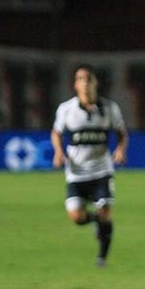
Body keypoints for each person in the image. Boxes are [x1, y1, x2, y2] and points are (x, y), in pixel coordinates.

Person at [51, 64, 129, 268]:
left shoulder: (110, 108)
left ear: (96, 83)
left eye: (89, 79)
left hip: (102, 170)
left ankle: (102, 258)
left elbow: (122, 133)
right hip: (76, 173)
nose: (85, 83)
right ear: (75, 85)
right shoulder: (66, 109)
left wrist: (121, 150)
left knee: (105, 214)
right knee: (76, 217)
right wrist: (59, 152)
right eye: (81, 79)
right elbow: (56, 133)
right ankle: (96, 222)